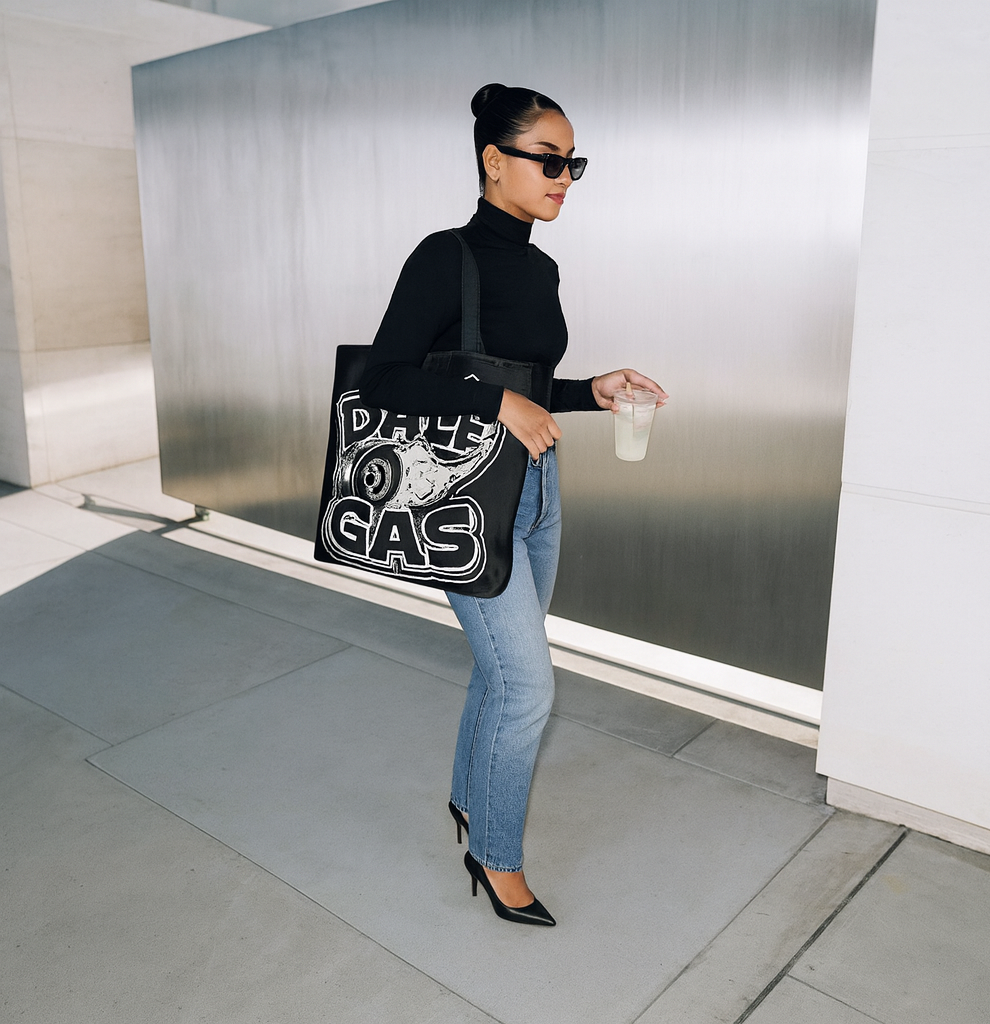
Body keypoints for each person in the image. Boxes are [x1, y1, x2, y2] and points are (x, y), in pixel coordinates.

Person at [360, 83, 667, 926]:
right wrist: (495, 403)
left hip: (537, 491)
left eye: (574, 164)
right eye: (549, 161)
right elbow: (383, 379)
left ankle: (469, 799)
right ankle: (495, 857)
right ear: (495, 162)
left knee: (501, 672)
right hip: (463, 496)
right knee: (528, 686)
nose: (565, 178)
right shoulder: (444, 256)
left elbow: (527, 384)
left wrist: (589, 390)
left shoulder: (539, 266)